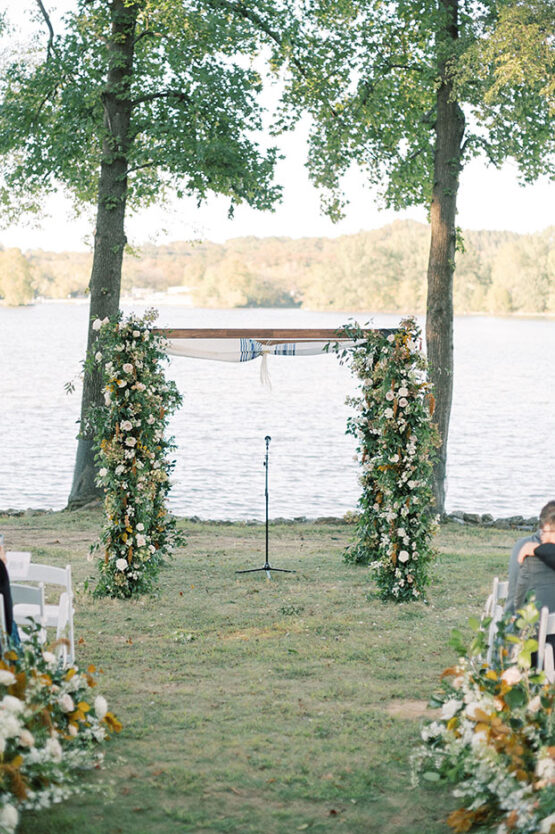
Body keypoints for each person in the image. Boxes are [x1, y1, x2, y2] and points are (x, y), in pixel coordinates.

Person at [505, 500, 555, 615]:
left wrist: (536, 549)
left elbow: (516, 602)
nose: (544, 538)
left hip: (528, 624)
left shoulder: (526, 548)